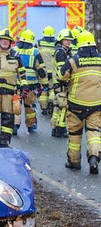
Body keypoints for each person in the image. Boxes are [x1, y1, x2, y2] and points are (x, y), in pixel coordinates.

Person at [59, 30, 101, 174]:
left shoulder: (73, 60)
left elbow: (61, 75)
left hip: (76, 104)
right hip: (96, 104)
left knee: (75, 134)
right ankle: (94, 157)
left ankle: (74, 162)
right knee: (94, 132)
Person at [14, 29, 47, 134]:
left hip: (17, 84)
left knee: (15, 106)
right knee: (30, 107)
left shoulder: (14, 50)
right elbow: (41, 69)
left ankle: (14, 125)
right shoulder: (35, 52)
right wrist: (44, 82)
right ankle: (31, 125)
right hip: (30, 85)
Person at [50, 28, 74, 138]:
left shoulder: (63, 51)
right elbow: (62, 71)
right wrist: (67, 81)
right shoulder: (61, 53)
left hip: (57, 83)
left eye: (69, 40)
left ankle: (54, 128)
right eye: (66, 40)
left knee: (57, 106)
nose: (68, 42)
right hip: (61, 83)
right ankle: (61, 128)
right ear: (61, 40)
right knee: (64, 106)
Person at [37, 26, 56, 115]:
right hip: (53, 72)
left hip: (43, 71)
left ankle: (44, 108)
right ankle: (52, 103)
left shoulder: (39, 43)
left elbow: (36, 56)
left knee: (44, 90)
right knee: (52, 88)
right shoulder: (56, 44)